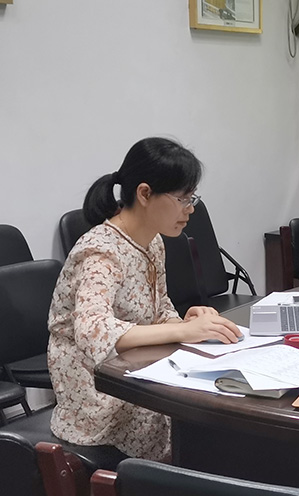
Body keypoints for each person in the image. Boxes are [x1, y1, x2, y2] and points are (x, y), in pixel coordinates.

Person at [48, 137, 242, 461]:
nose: (191, 209)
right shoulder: (101, 252)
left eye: (192, 198)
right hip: (99, 395)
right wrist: (181, 331)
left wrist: (186, 321)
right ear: (144, 194)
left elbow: (159, 305)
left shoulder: (152, 241)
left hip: (138, 368)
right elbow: (93, 331)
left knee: (216, 405)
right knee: (205, 423)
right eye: (183, 199)